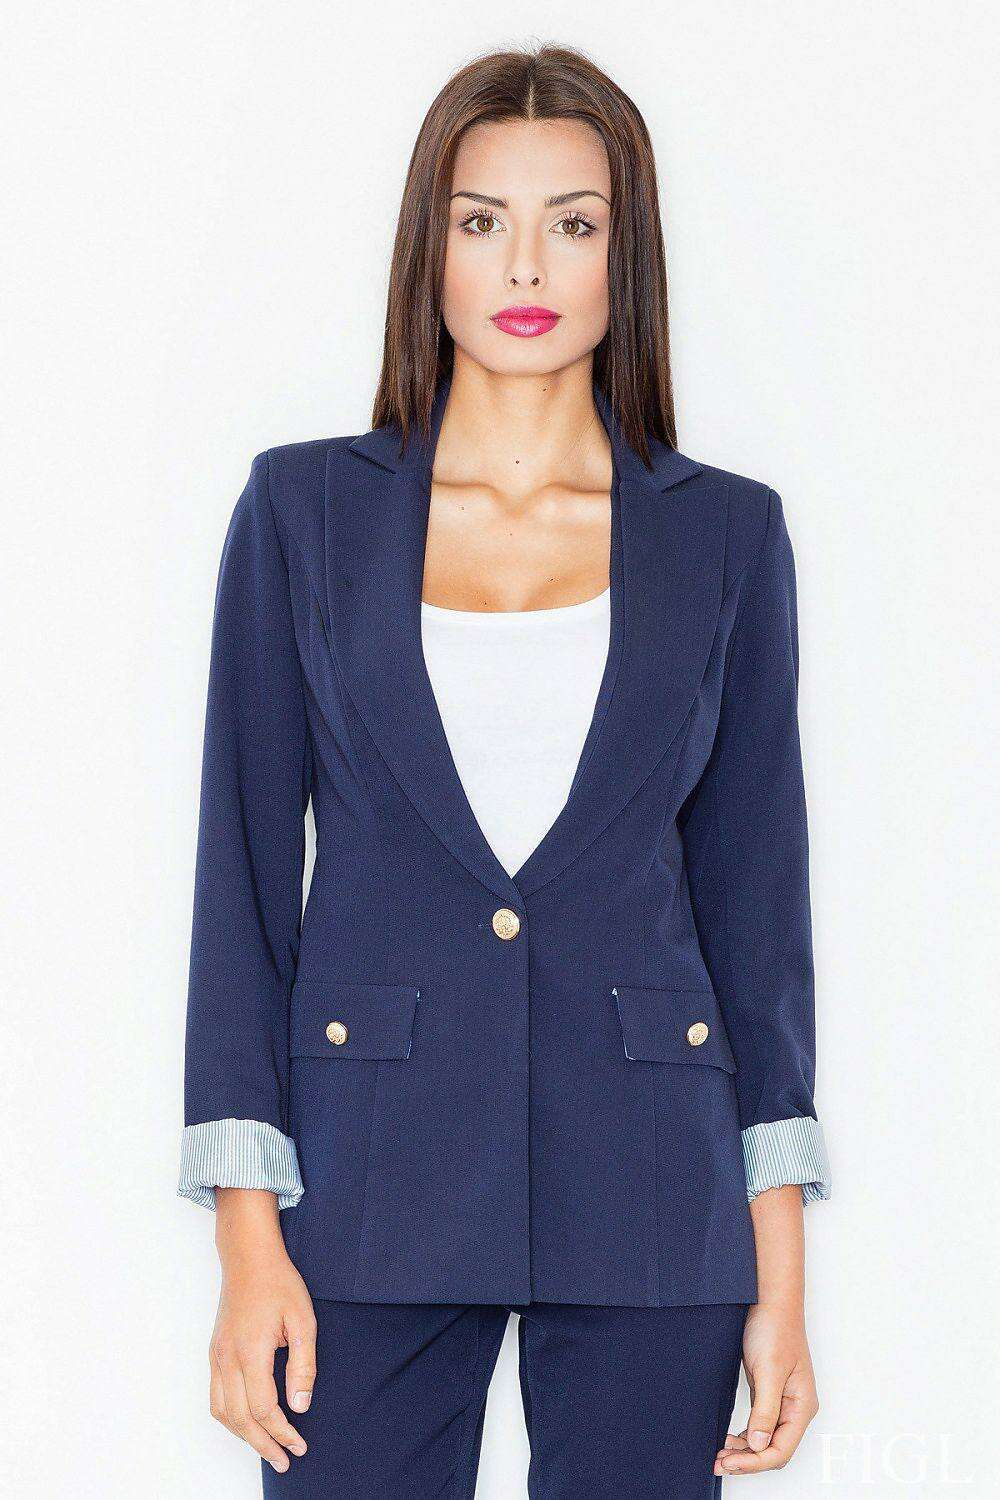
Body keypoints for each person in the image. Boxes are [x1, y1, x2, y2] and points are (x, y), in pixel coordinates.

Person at [177, 43, 831, 1498]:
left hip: (651, 1184)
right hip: (366, 1179)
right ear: (432, 247)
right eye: (482, 220)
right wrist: (244, 1239)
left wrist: (780, 1279)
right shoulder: (302, 513)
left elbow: (757, 914)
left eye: (572, 223)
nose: (525, 263)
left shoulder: (727, 536)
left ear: (623, 254)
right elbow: (243, 890)